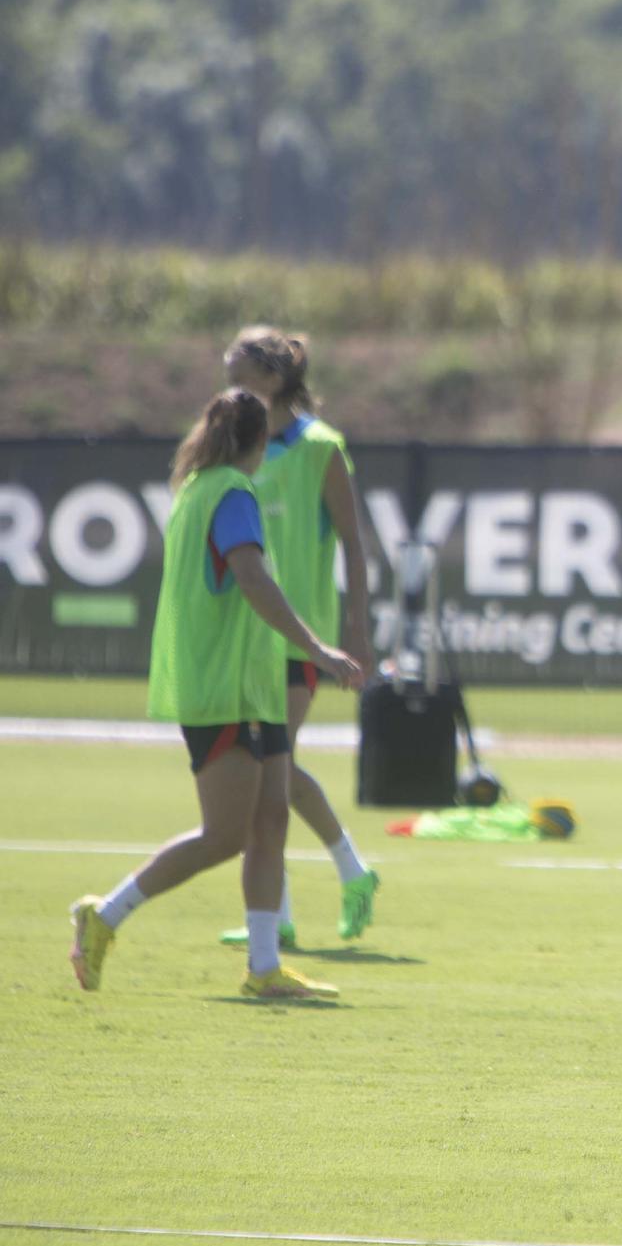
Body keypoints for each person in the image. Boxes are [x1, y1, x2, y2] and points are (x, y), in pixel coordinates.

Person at [68, 389, 362, 999]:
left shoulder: (197, 489)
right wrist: (317, 647)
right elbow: (251, 578)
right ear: (258, 444)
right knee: (225, 834)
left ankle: (263, 967)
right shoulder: (230, 491)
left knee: (271, 821)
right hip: (228, 689)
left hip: (252, 687)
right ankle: (106, 915)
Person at [213, 327, 380, 949]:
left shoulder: (320, 447)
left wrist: (355, 627)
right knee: (269, 772)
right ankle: (329, 885)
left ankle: (317, 890)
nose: (230, 386)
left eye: (241, 374)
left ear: (276, 380)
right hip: (245, 635)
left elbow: (354, 544)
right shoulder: (231, 445)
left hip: (299, 637)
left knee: (266, 769)